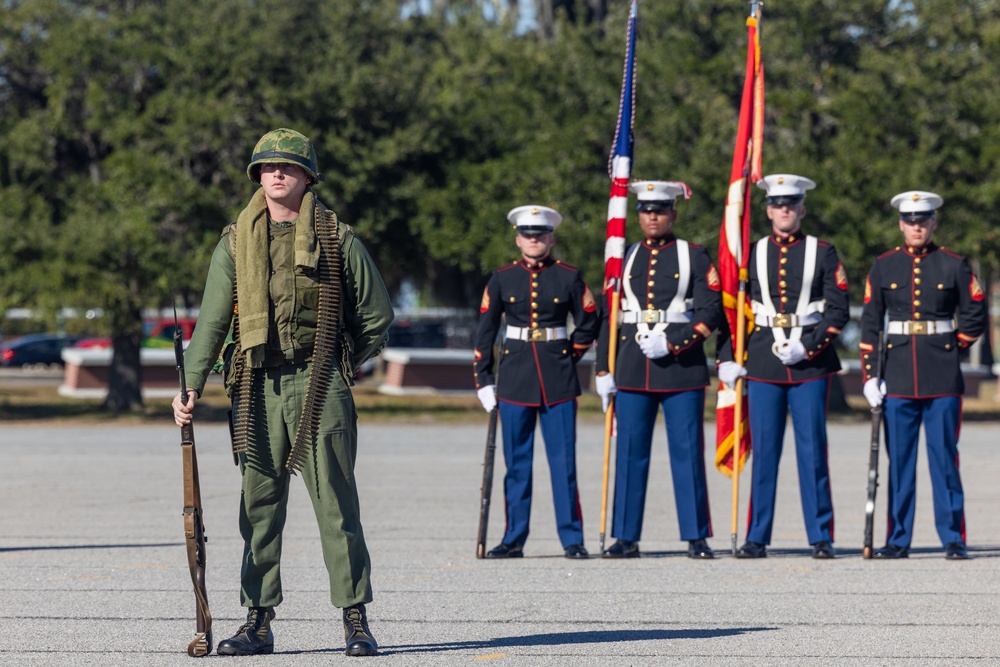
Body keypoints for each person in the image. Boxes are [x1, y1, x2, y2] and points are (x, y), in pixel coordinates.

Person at [172, 128, 393, 656]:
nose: (277, 174)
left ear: (306, 177)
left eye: (288, 167)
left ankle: (355, 618)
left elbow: (377, 314)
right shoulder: (234, 241)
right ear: (258, 177)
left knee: (337, 505)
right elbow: (211, 321)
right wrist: (191, 384)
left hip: (319, 383)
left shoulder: (338, 237)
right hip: (255, 385)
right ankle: (258, 620)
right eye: (268, 167)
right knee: (259, 506)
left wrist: (343, 362)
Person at [717, 174, 849, 559]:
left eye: (791, 204)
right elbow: (732, 311)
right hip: (763, 362)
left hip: (810, 364)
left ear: (802, 209)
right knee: (765, 452)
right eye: (777, 204)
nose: (784, 210)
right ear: (767, 210)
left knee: (812, 452)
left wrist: (807, 348)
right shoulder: (751, 252)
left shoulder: (823, 252)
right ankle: (757, 536)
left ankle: (820, 535)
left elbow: (838, 311)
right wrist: (727, 357)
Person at [594, 180, 722, 559]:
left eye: (660, 210)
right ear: (637, 215)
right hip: (632, 367)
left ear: (673, 214)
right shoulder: (623, 256)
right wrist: (603, 369)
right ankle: (625, 536)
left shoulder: (695, 256)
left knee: (687, 452)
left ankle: (697, 536)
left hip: (681, 366)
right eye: (646, 210)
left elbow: (710, 311)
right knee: (630, 454)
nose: (652, 216)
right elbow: (609, 317)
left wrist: (674, 342)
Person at [859, 190, 988, 560]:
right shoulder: (883, 266)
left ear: (933, 222)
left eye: (923, 220)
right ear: (901, 225)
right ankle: (898, 538)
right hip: (896, 376)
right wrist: (870, 375)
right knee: (899, 462)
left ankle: (952, 537)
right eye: (910, 221)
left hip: (942, 377)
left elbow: (975, 314)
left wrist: (951, 349)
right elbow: (870, 324)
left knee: (945, 459)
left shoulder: (955, 264)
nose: (917, 227)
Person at [473, 205, 599, 559]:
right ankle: (513, 538)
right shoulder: (501, 278)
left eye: (540, 235)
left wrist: (569, 354)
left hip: (558, 379)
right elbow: (485, 332)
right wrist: (482, 378)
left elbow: (590, 318)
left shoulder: (569, 276)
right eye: (528, 235)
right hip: (514, 378)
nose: (534, 240)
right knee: (517, 467)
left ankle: (572, 538)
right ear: (518, 239)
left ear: (551, 238)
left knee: (564, 464)